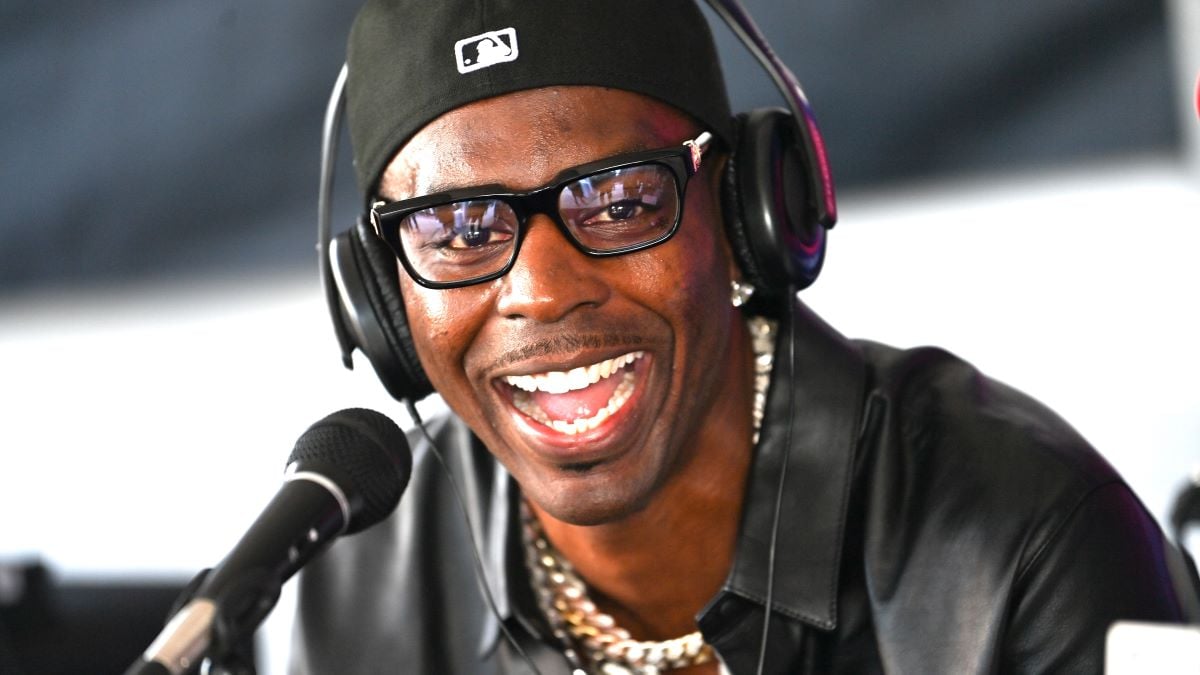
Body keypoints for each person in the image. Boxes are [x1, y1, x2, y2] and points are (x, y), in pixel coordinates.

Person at [292, 1, 1194, 673]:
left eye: (616, 200)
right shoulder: (359, 575)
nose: (541, 291)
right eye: (456, 229)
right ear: (379, 297)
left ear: (745, 213)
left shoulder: (1022, 541)